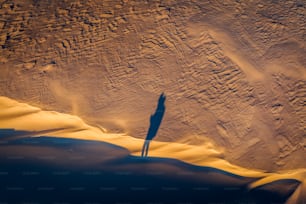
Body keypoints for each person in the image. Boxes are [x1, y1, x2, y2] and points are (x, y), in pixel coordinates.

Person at [141, 93, 166, 157]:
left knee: (146, 142)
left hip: (152, 130)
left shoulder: (162, 108)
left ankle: (144, 155)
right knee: (146, 142)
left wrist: (152, 119)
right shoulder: (161, 107)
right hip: (152, 129)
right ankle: (144, 154)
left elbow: (158, 118)